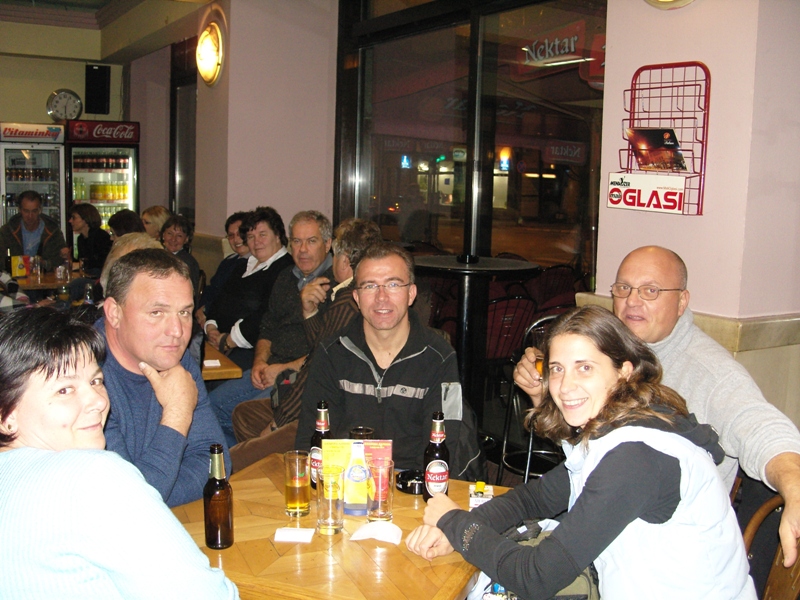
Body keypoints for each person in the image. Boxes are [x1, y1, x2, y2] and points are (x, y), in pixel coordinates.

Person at [410, 305, 755, 600]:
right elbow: (533, 499)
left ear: (624, 372)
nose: (565, 386)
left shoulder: (636, 458)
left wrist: (454, 523)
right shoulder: (613, 433)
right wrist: (456, 531)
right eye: (557, 369)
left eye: (585, 367)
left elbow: (536, 577)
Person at [0, 307, 238, 599]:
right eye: (64, 390)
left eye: (96, 381)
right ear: (5, 414)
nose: (98, 401)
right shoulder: (93, 477)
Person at [294, 242, 484, 478]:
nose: (381, 297)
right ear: (356, 297)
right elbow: (310, 438)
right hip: (346, 481)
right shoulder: (331, 353)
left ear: (411, 294)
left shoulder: (439, 358)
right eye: (370, 286)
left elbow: (445, 447)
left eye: (393, 284)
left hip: (412, 482)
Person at [229, 218, 382, 471]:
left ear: (344, 259)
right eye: (297, 241)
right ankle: (279, 473)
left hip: (327, 414)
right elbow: (320, 347)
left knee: (235, 459)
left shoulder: (348, 302)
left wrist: (277, 423)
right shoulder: (346, 295)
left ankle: (280, 470)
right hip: (321, 400)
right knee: (243, 415)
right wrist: (309, 312)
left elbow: (315, 369)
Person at [100, 248, 230, 506]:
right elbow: (127, 502)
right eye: (157, 312)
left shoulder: (173, 357)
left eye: (184, 312)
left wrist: (153, 490)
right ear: (114, 313)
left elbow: (217, 463)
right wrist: (177, 412)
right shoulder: (81, 377)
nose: (177, 331)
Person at [207, 210, 334, 449]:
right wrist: (259, 362)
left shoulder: (336, 285)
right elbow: (268, 325)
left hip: (299, 377)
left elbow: (328, 351)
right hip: (268, 366)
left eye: (311, 241)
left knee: (246, 416)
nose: (302, 249)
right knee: (210, 406)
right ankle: (239, 460)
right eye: (297, 241)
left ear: (327, 244)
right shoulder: (286, 277)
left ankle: (249, 456)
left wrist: (282, 369)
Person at [203, 207, 293, 370]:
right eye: (251, 237)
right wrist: (211, 328)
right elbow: (220, 299)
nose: (256, 242)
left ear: (278, 235)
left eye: (262, 235)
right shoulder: (243, 265)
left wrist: (228, 340)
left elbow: (266, 315)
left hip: (253, 352)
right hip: (218, 342)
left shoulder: (286, 270)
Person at [195, 211, 251, 329]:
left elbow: (233, 299)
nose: (236, 240)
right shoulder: (228, 261)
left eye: (240, 234)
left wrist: (207, 310)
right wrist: (201, 309)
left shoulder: (255, 265)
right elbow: (212, 288)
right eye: (231, 235)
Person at [0, 189, 69, 271]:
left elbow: (61, 261)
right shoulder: (7, 231)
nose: (30, 216)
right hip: (15, 277)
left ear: (40, 210)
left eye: (34, 211)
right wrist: (21, 265)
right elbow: (1, 261)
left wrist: (43, 263)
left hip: (45, 277)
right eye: (26, 211)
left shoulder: (53, 230)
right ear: (20, 210)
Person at [68, 203, 113, 277]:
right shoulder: (81, 239)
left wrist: (81, 264)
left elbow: (102, 262)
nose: (70, 221)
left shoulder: (101, 237)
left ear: (85, 219)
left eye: (74, 218)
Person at [160, 214, 201, 292]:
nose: (173, 239)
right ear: (163, 235)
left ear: (186, 239)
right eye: (169, 233)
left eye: (179, 236)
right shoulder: (156, 256)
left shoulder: (188, 263)